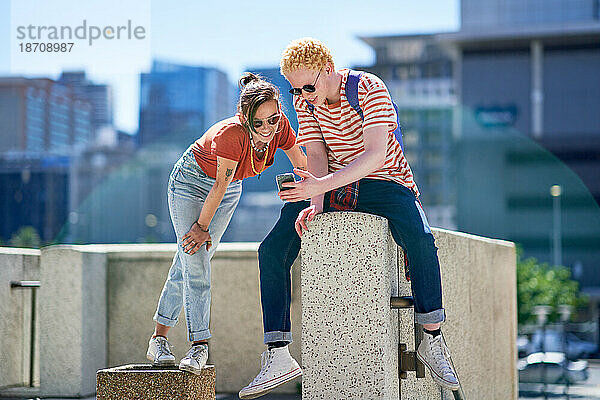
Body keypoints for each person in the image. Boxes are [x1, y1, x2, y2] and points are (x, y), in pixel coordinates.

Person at [239, 38, 459, 399]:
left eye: (309, 86)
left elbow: (374, 156)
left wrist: (322, 186)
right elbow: (318, 156)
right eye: (296, 89)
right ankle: (278, 353)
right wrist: (317, 206)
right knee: (273, 248)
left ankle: (431, 339)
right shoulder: (303, 101)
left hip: (385, 182)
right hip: (338, 184)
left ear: (328, 69)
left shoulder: (369, 89)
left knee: (420, 238)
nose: (303, 95)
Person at [146, 73, 307, 375]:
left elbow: (299, 159)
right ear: (245, 119)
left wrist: (306, 192)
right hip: (191, 184)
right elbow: (216, 187)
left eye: (273, 120)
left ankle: (157, 339)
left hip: (230, 187)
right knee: (195, 259)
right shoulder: (231, 134)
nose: (268, 129)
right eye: (258, 124)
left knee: (190, 260)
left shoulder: (280, 125)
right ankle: (199, 346)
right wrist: (200, 226)